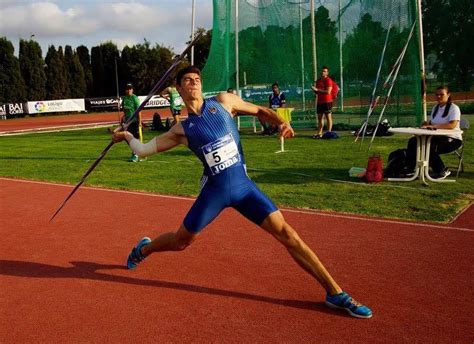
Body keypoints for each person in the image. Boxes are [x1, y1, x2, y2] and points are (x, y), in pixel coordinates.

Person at [112, 66, 372, 319]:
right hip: (215, 192)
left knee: (288, 234)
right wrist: (126, 136)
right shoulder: (182, 129)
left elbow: (260, 110)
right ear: (179, 88)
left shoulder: (224, 102)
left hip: (244, 188)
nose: (194, 82)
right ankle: (144, 250)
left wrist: (282, 122)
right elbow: (143, 151)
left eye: (197, 78)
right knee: (181, 241)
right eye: (188, 80)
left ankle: (335, 293)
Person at [406, 86, 462, 179]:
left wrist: (432, 126)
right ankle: (412, 169)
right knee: (413, 141)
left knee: (429, 146)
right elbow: (433, 123)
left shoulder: (454, 108)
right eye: (437, 95)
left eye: (441, 94)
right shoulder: (435, 108)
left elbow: (452, 125)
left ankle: (442, 170)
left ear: (448, 95)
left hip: (452, 139)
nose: (438, 96)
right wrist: (427, 124)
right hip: (436, 137)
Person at [121, 83, 142, 162]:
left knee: (135, 138)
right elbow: (124, 109)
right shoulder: (125, 99)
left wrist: (140, 122)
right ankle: (135, 152)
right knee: (127, 137)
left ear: (132, 90)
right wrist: (123, 119)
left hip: (134, 121)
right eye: (127, 89)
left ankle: (136, 154)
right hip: (127, 121)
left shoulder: (135, 98)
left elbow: (139, 110)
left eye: (130, 89)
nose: (129, 90)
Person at [311, 66, 334, 139]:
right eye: (322, 71)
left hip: (327, 101)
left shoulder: (328, 80)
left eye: (324, 71)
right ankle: (319, 133)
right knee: (320, 118)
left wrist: (317, 89)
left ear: (327, 73)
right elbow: (318, 92)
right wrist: (314, 90)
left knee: (328, 117)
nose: (323, 72)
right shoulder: (318, 81)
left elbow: (328, 91)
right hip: (320, 102)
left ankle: (329, 133)